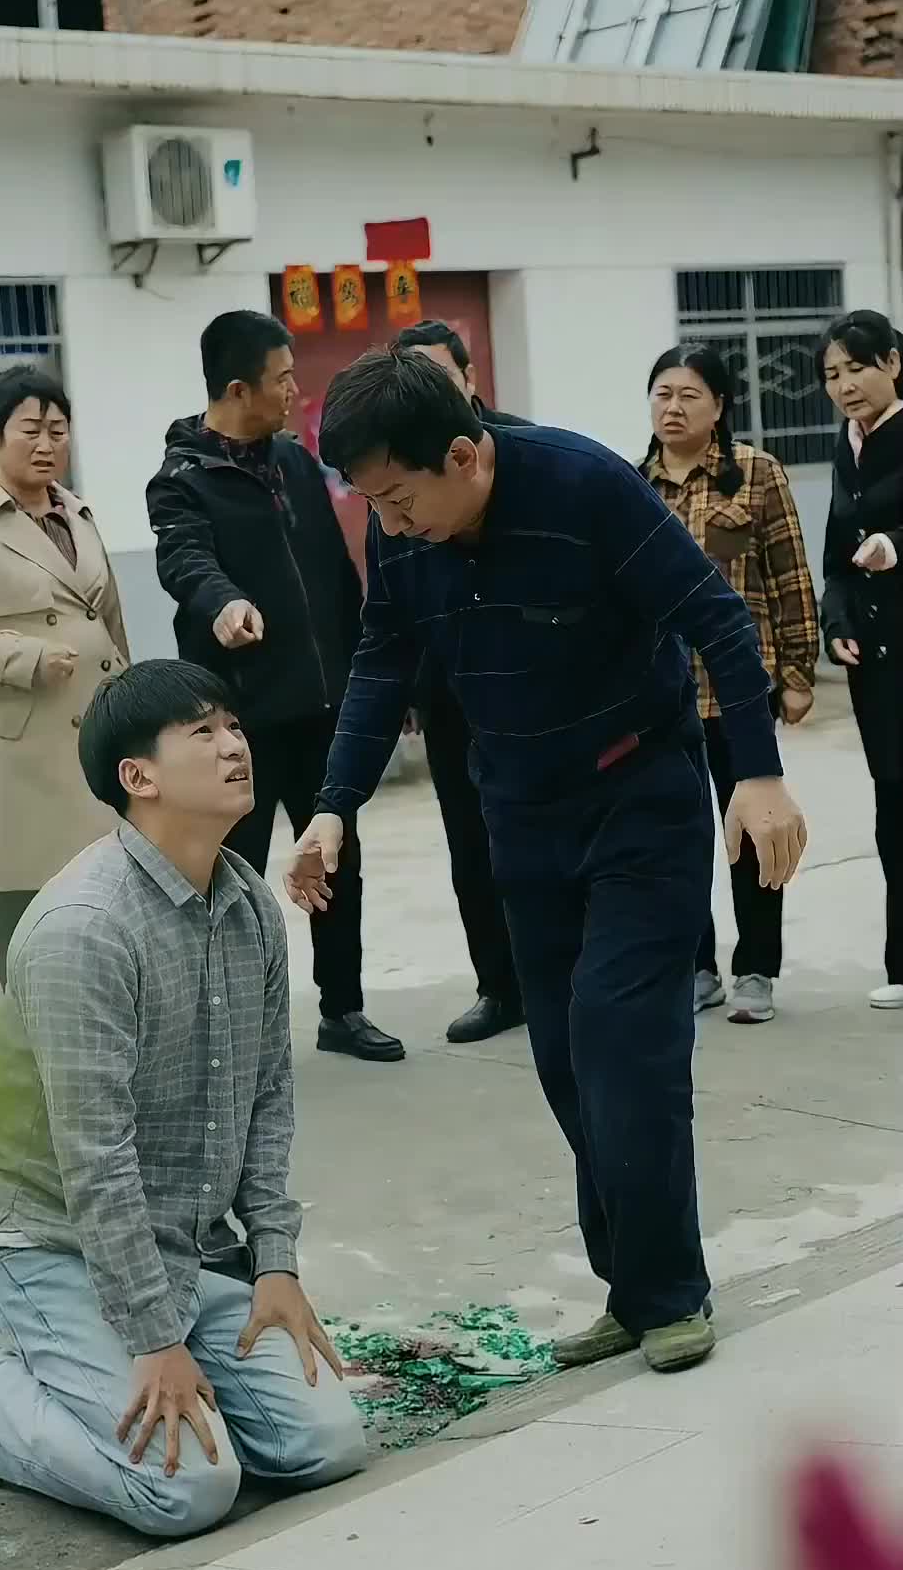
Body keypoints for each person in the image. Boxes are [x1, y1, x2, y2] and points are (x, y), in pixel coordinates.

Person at [285, 349, 807, 1375]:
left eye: (399, 499)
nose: (390, 524)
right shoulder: (401, 530)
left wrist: (756, 772)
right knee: (566, 1055)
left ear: (465, 455)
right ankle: (634, 1285)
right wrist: (334, 805)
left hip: (639, 792)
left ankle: (669, 1294)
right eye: (371, 504)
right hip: (520, 812)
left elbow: (715, 617)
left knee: (623, 1037)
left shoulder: (584, 484)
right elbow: (383, 658)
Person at [0, 659, 365, 1535]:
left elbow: (269, 1094)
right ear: (138, 777)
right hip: (55, 1246)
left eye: (233, 725)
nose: (234, 745)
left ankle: (151, 1371)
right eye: (202, 732)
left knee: (324, 1443)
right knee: (186, 1492)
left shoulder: (249, 903)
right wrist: (155, 1339)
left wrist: (274, 1262)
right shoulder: (83, 929)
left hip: (182, 1247)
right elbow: (96, 1160)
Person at [147, 309, 403, 1064]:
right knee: (232, 879)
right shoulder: (182, 480)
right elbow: (183, 559)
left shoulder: (293, 460)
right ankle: (226, 1028)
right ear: (238, 389)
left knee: (336, 860)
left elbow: (335, 571)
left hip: (324, 709)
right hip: (243, 720)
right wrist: (222, 603)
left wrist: (366, 673)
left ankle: (343, 1009)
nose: (296, 391)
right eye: (283, 379)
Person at [0, 364, 130, 991]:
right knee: (29, 889)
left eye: (57, 431)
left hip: (96, 726)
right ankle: (25, 1021)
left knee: (107, 881)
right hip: (23, 739)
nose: (46, 445)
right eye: (30, 430)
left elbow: (110, 623)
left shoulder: (77, 514)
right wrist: (23, 658)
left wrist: (132, 706)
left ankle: (102, 1005)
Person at [642, 344, 819, 1025]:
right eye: (663, 393)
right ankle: (697, 967)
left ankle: (756, 970)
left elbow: (791, 575)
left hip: (738, 692)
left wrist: (797, 673)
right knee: (675, 838)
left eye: (689, 395)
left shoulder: (755, 474)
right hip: (663, 697)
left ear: (718, 407)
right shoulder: (634, 484)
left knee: (752, 831)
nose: (673, 408)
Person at [396, 320, 525, 1044]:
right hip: (450, 695)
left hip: (526, 688)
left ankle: (562, 974)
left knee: (539, 835)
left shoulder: (520, 453)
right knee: (470, 845)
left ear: (470, 380)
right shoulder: (396, 476)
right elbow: (393, 606)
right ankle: (498, 985)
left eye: (440, 376)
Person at [817, 308, 903, 1011]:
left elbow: (881, 540)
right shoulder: (846, 447)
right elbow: (836, 555)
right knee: (892, 807)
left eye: (856, 368)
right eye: (831, 374)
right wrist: (836, 621)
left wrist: (896, 546)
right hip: (875, 661)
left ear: (893, 364)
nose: (844, 385)